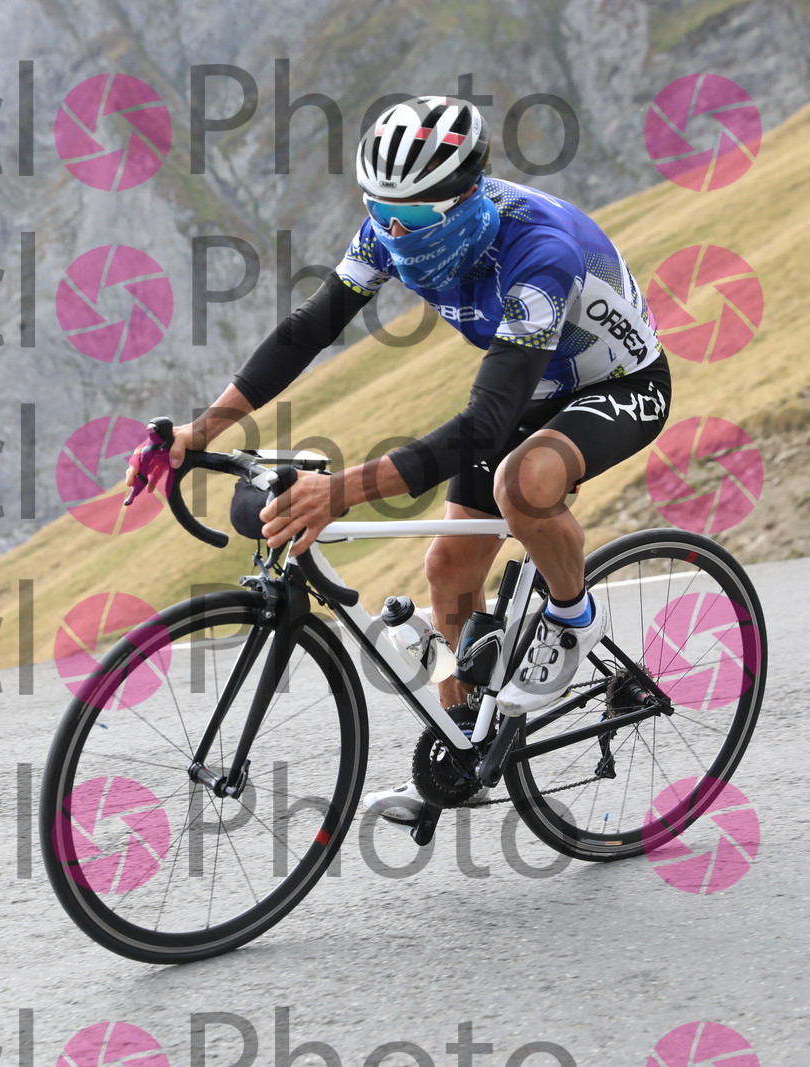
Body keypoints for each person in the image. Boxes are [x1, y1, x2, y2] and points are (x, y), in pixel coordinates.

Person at [147, 95, 671, 822]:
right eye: (380, 209)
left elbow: (482, 426)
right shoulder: (391, 232)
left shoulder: (538, 255)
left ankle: (572, 617)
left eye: (415, 214)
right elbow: (309, 329)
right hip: (528, 387)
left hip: (619, 387)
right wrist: (201, 430)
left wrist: (341, 491)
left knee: (525, 483)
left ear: (465, 198)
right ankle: (466, 756)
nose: (394, 230)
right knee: (449, 571)